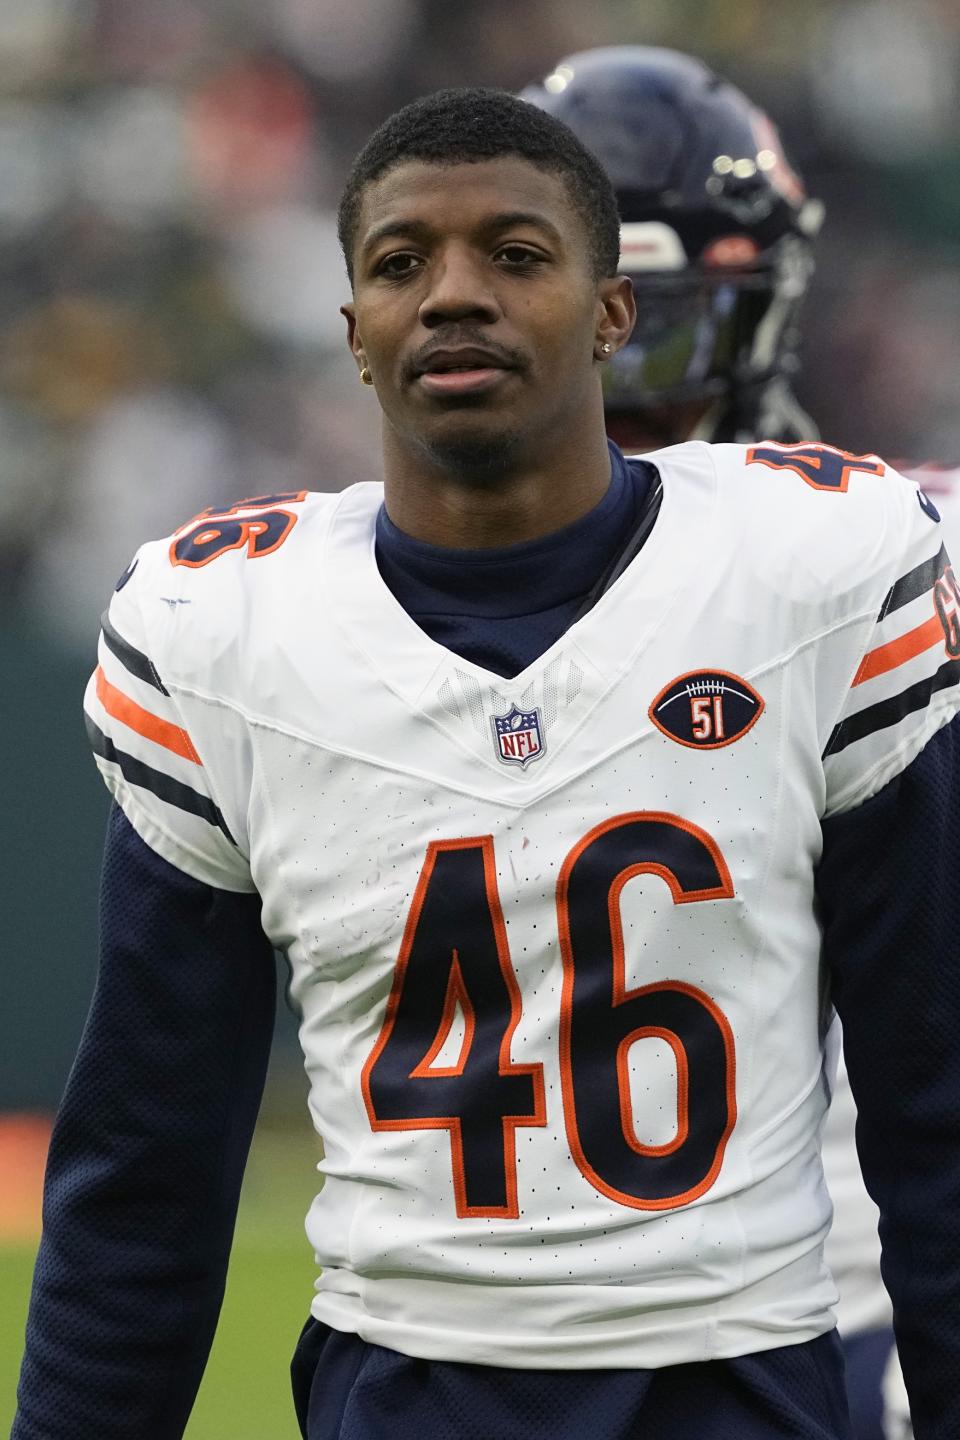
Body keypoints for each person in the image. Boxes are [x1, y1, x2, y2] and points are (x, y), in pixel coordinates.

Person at [12, 87, 960, 1440]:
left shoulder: (811, 570)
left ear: (610, 311)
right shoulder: (221, 632)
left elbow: (935, 1100)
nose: (455, 295)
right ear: (352, 328)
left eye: (516, 256)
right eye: (402, 264)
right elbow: (148, 1167)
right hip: (404, 1385)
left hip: (740, 1381)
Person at [520, 46, 911, 1440]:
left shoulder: (891, 551)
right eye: (580, 333)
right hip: (513, 1312)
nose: (616, 399)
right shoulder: (357, 595)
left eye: (660, 335)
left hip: (852, 1289)